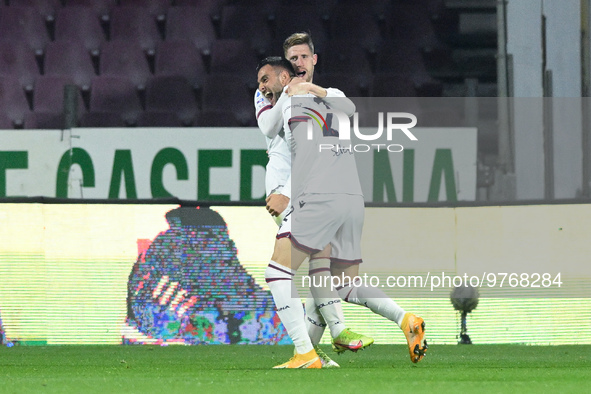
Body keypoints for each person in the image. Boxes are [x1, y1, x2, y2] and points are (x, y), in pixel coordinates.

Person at [281, 32, 428, 364]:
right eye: (293, 59)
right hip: (350, 198)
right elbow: (347, 108)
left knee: (298, 272)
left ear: (314, 59)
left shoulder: (310, 98)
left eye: (304, 57)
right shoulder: (330, 97)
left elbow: (341, 111)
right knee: (344, 285)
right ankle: (406, 320)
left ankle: (318, 346)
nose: (299, 63)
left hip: (322, 197)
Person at [256, 57, 372, 369]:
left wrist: (286, 193)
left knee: (279, 273)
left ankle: (310, 352)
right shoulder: (302, 99)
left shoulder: (300, 100)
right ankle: (314, 348)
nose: (261, 87)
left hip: (312, 199)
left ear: (284, 76)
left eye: (266, 80)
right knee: (316, 274)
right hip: (328, 197)